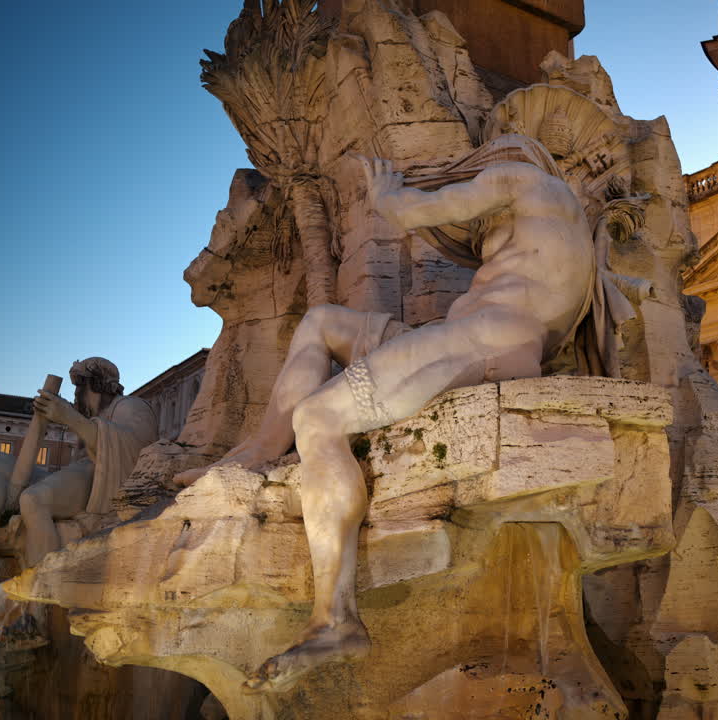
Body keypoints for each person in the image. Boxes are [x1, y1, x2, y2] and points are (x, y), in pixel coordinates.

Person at [175, 134, 632, 693]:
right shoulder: (563, 244)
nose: (483, 237)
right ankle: (258, 454)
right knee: (321, 321)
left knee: (318, 419)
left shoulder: (524, 180)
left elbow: (421, 210)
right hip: (470, 340)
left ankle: (335, 618)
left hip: (479, 342)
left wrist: (388, 191)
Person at [0, 358, 157, 647]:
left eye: (78, 389)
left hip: (101, 481)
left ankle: (37, 613)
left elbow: (137, 451)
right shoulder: (93, 413)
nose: (75, 398)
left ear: (95, 385)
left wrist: (71, 419)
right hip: (78, 477)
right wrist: (65, 419)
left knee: (34, 499)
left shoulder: (131, 406)